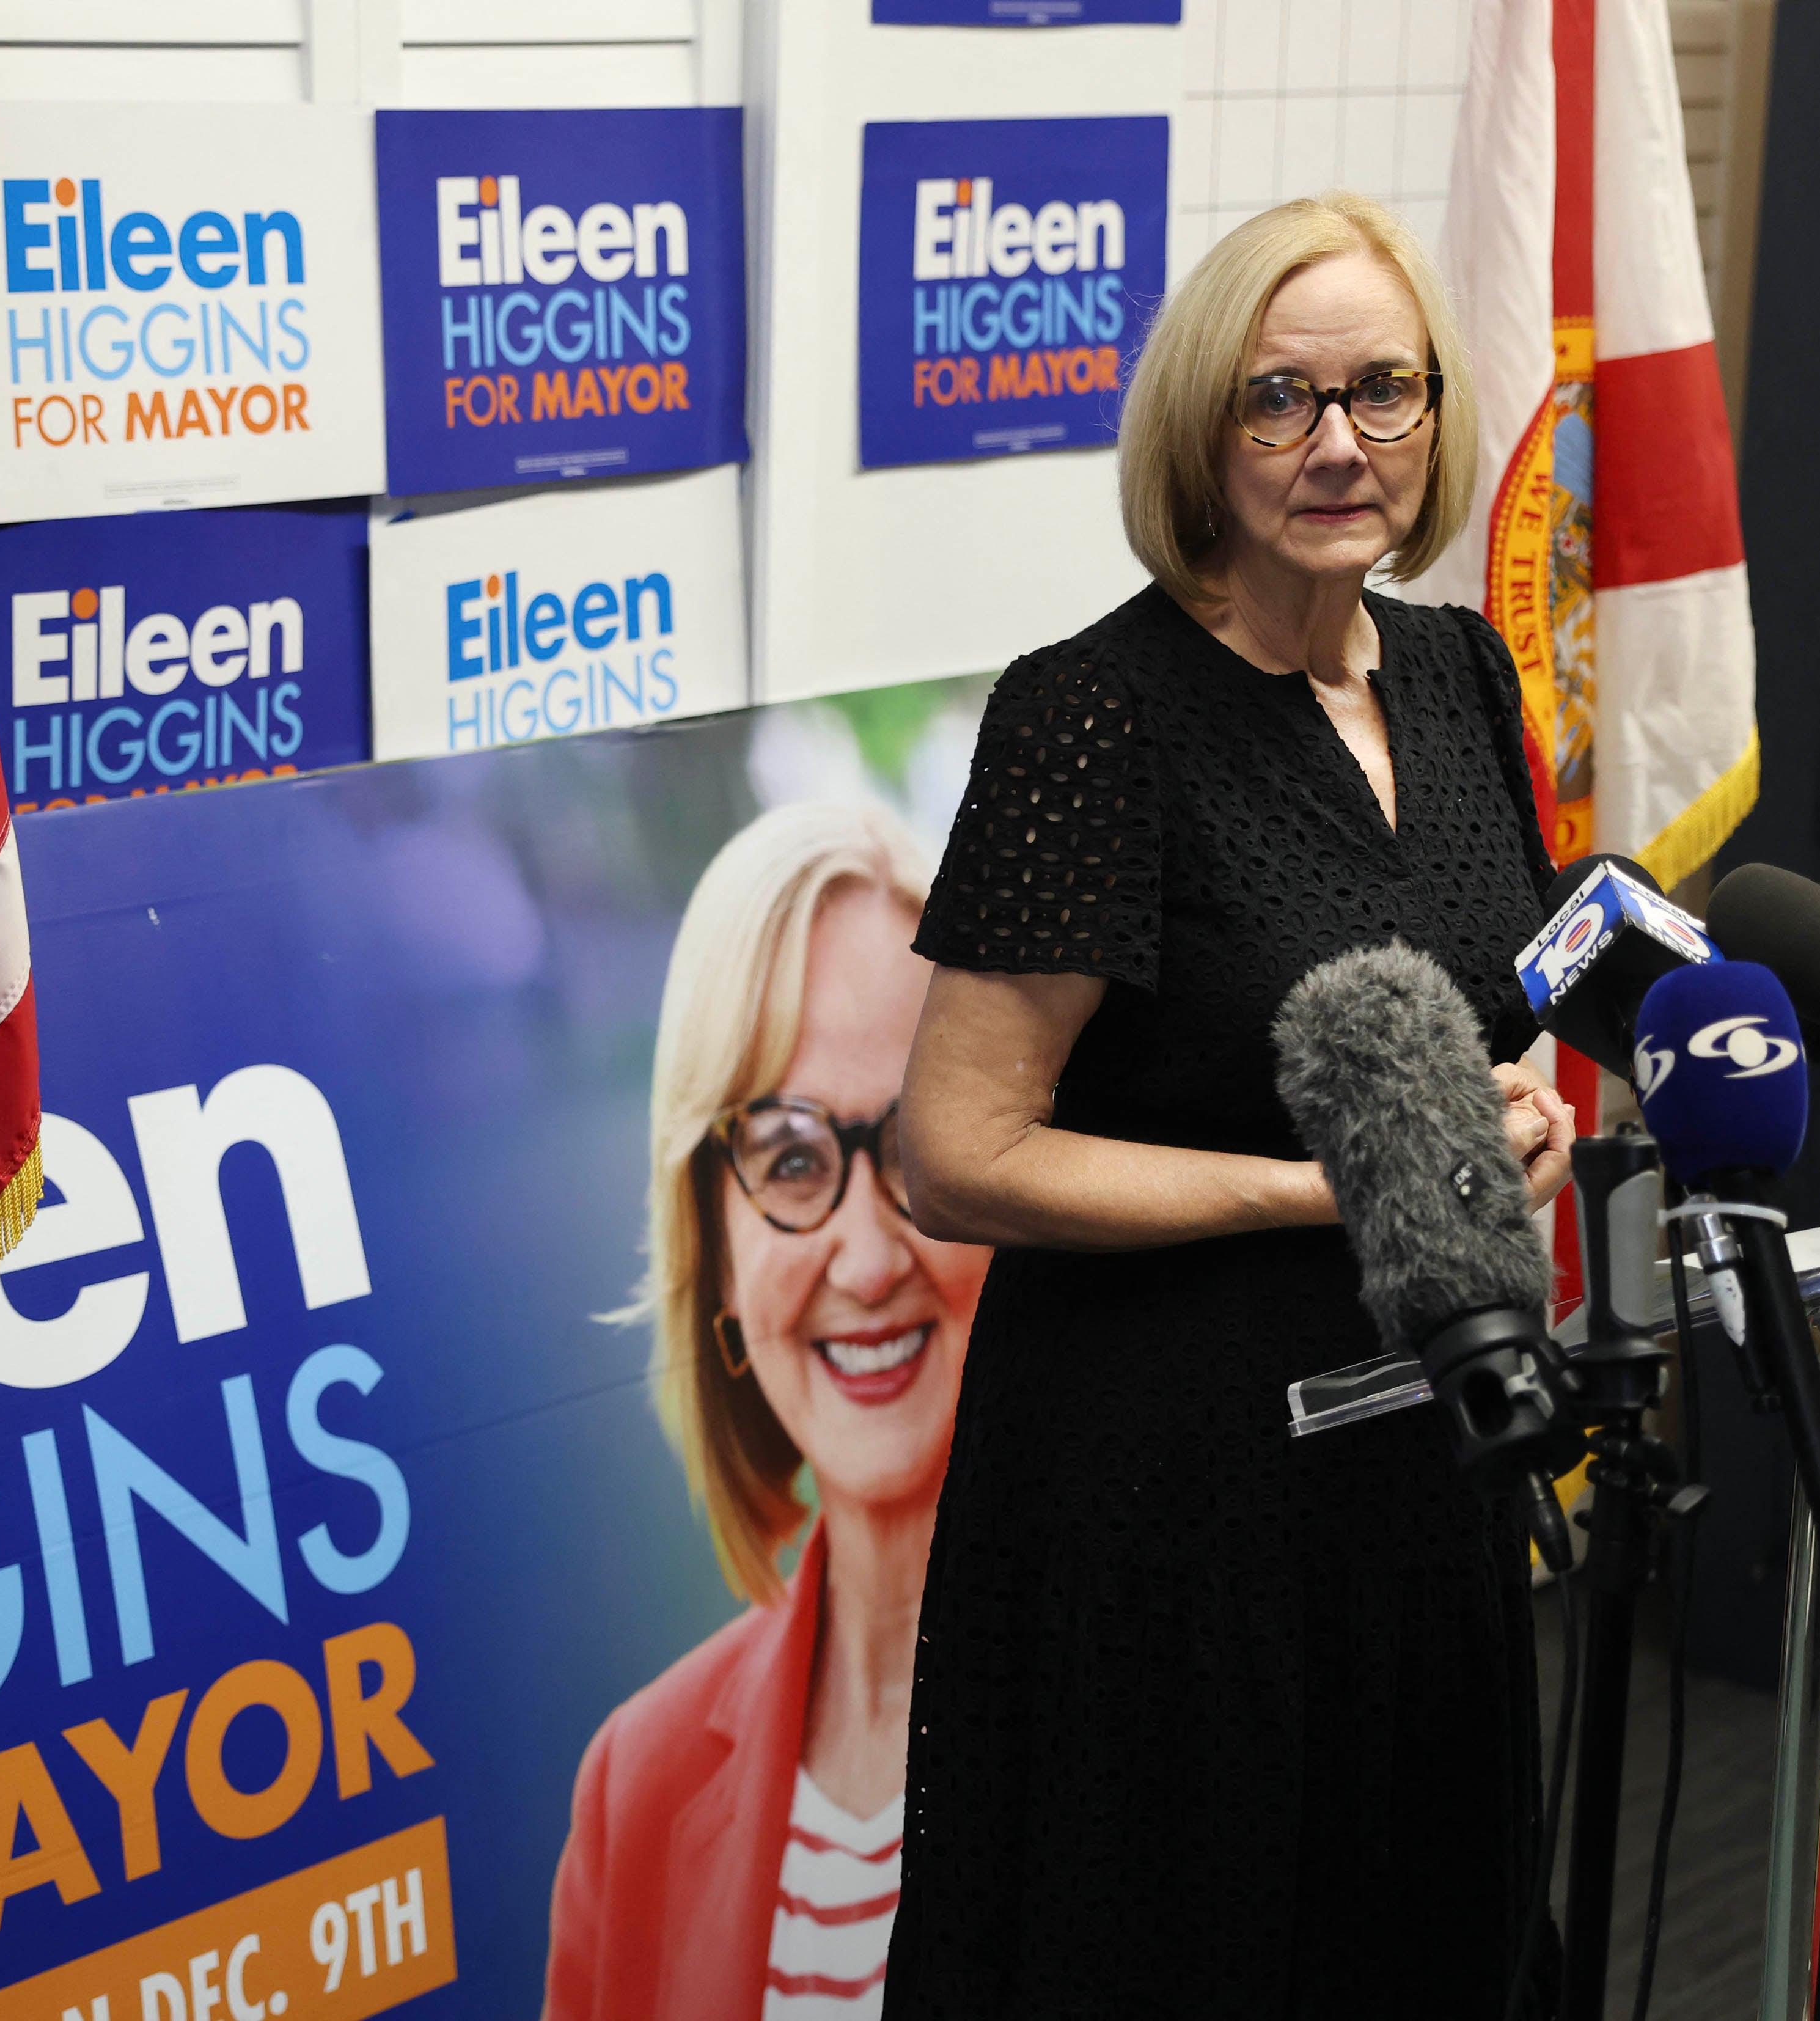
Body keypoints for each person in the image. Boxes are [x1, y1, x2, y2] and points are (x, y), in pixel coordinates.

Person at [884, 190, 1580, 2017]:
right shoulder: (1092, 720)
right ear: (1202, 431)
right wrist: (1323, 1191)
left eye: (1383, 393)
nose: (1338, 443)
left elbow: (1467, 990)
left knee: (1419, 1927)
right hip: (1167, 1499)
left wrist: (1507, 1109)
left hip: (1414, 1457)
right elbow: (954, 1153)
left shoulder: (1455, 669)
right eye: (1280, 398)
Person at [546, 802, 992, 2021]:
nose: (862, 1257)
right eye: (791, 1160)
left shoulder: (1191, 1691)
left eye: (915, 1144)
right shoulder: (632, 1789)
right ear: (719, 1257)